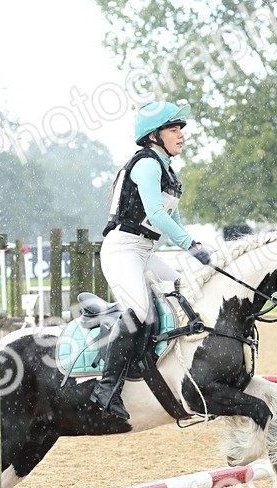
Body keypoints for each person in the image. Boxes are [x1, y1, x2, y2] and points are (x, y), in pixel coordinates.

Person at [91, 100, 215, 420]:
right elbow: (157, 215)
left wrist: (197, 244)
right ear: (153, 136)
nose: (181, 135)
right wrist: (189, 246)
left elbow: (176, 218)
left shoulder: (168, 172)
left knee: (181, 290)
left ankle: (163, 364)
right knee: (140, 310)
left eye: (180, 129)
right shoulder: (146, 164)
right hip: (122, 249)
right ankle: (107, 387)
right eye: (174, 129)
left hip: (145, 252)